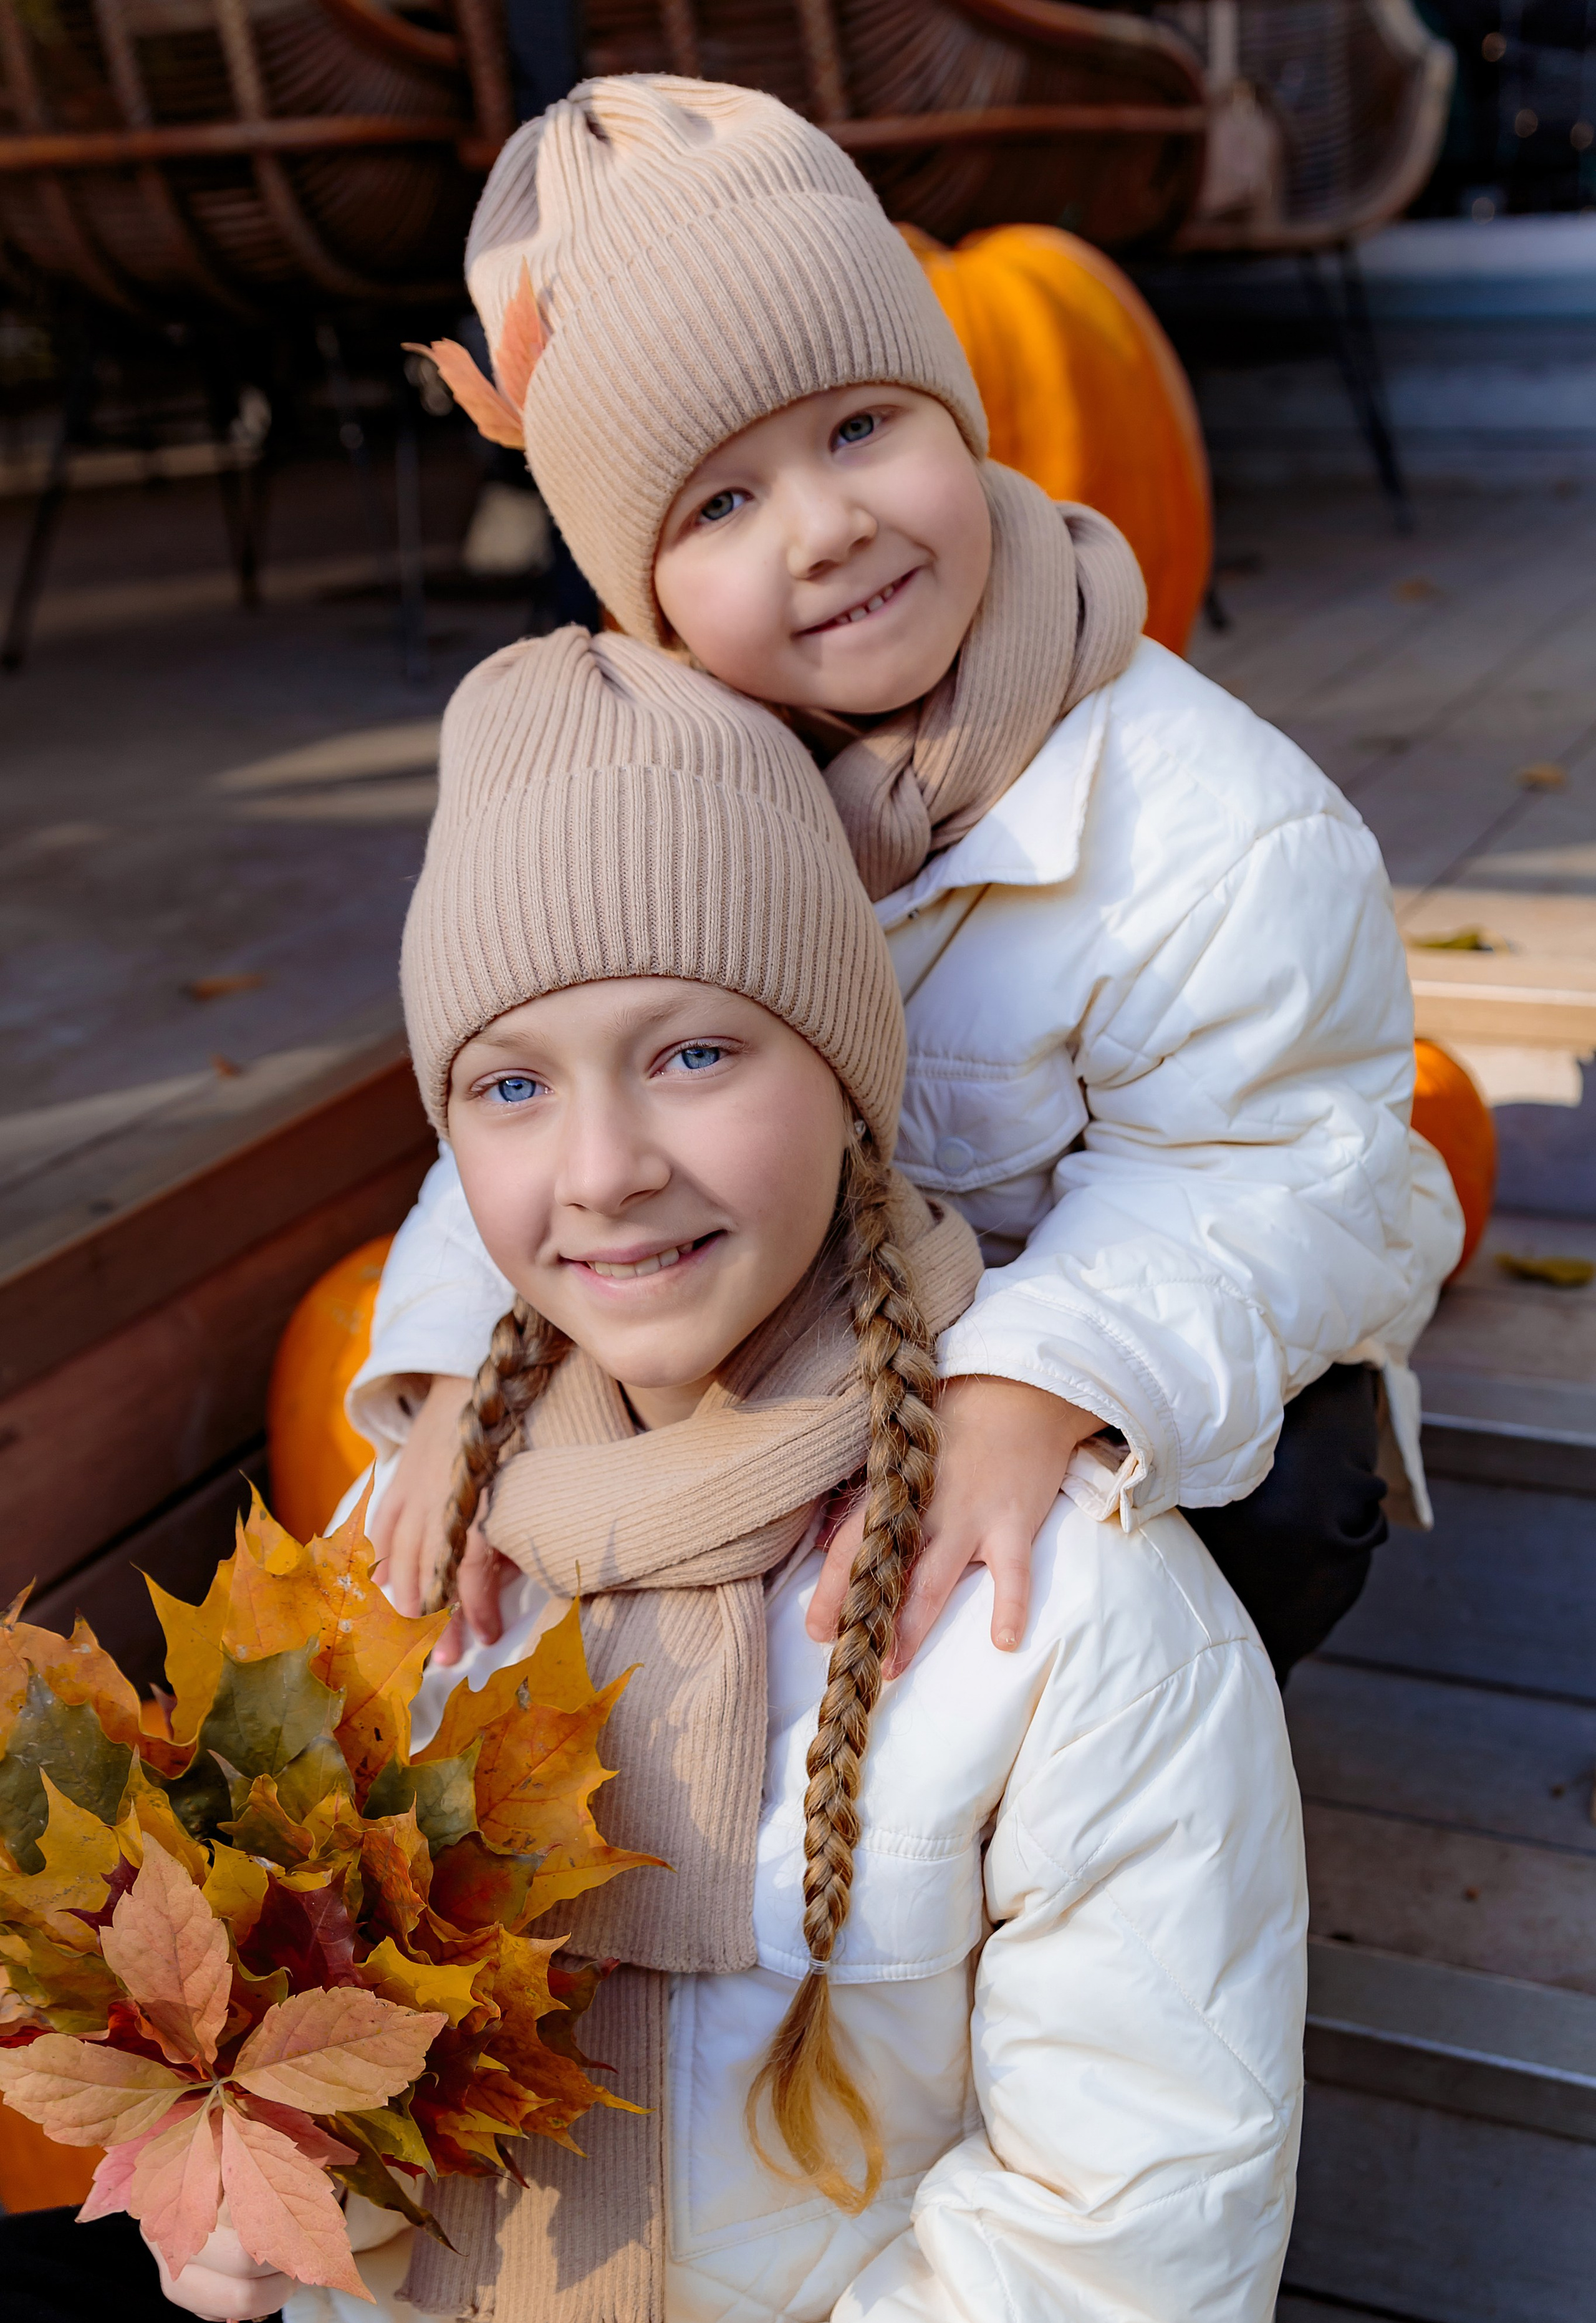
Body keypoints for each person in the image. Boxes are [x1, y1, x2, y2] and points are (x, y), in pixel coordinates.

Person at [150, 629, 1308, 2323]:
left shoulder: (1068, 1616)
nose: (604, 1167)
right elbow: (329, 2080)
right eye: (512, 1082)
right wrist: (244, 2193)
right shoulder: (408, 1555)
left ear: (848, 1077)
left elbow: (1110, 2287)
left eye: (693, 1053)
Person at [362, 75, 1461, 1688]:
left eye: (860, 427)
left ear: (961, 414)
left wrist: (1032, 1380)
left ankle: (1131, 1755)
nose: (825, 526)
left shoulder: (1213, 821)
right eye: (723, 501)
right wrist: (469, 1363)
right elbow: (544, 1090)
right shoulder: (646, 801)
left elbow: (1273, 1172)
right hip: (805, 1364)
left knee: (1291, 1488)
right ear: (643, 592)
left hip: (1115, 1357)